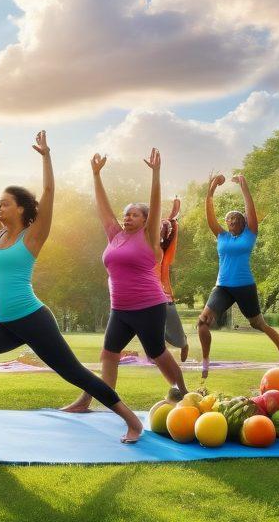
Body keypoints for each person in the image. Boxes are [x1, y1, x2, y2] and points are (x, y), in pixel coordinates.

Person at [0, 132, 145, 443]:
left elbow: (48, 190)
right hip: (6, 324)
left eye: (5, 205)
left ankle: (132, 420)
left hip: (32, 319)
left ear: (20, 209)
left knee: (73, 373)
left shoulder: (32, 236)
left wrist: (46, 156)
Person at [62, 149, 187, 413]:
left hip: (148, 306)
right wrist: (96, 175)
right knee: (108, 355)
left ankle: (184, 395)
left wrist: (156, 173)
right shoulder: (115, 236)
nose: (127, 217)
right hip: (120, 309)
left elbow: (155, 202)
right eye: (126, 214)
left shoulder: (149, 237)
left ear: (145, 220)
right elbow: (103, 207)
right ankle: (91, 401)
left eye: (133, 214)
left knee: (157, 353)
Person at [197, 173, 279, 378]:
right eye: (228, 219)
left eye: (235, 218)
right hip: (222, 286)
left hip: (244, 286)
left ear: (242, 222)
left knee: (258, 324)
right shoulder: (221, 236)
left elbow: (250, 210)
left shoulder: (250, 234)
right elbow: (210, 216)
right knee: (203, 322)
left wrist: (244, 186)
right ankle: (205, 362)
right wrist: (211, 190)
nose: (230, 221)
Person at [157, 197, 190, 363]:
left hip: (163, 295)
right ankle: (155, 353)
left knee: (174, 331)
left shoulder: (164, 252)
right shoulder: (143, 244)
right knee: (151, 326)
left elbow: (171, 223)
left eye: (162, 231)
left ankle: (183, 343)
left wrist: (175, 209)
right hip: (145, 295)